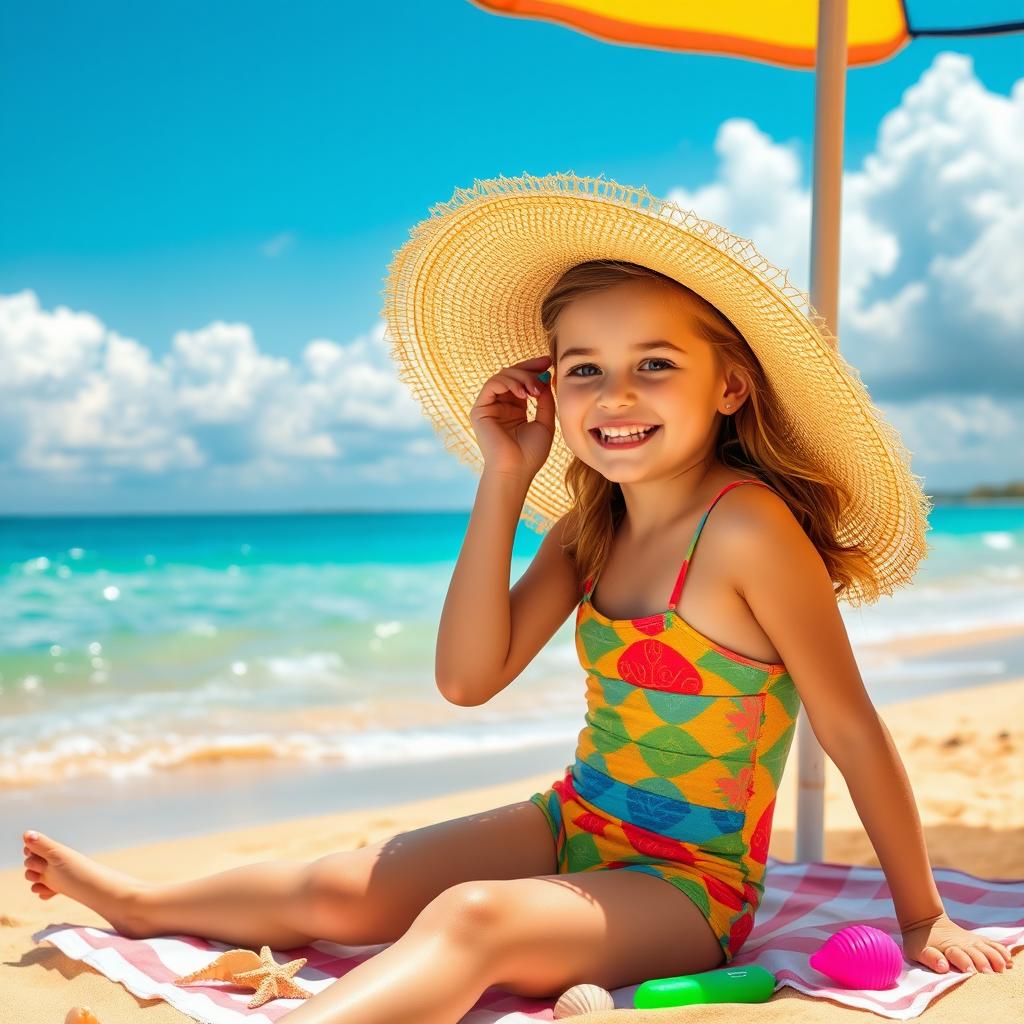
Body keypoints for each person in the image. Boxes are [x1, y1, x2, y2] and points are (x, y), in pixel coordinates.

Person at [22, 172, 1013, 1023]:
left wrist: (919, 913)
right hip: (574, 820)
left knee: (469, 919)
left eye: (653, 366)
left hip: (688, 887)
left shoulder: (747, 529)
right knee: (347, 882)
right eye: (585, 370)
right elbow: (466, 678)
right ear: (551, 388)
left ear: (729, 387)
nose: (614, 397)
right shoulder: (594, 524)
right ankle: (148, 905)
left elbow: (849, 725)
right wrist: (502, 476)